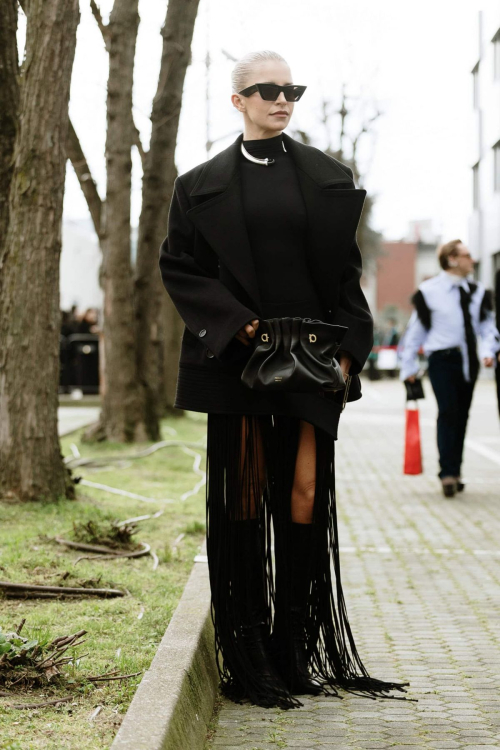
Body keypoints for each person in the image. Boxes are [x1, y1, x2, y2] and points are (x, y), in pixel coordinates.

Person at [159, 50, 407, 709]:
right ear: (237, 101)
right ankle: (248, 657)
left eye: (291, 88)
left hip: (310, 362)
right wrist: (237, 324)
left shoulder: (326, 178)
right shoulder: (200, 183)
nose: (282, 98)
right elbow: (180, 268)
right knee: (241, 500)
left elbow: (343, 277)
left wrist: (350, 352)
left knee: (302, 495)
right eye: (266, 89)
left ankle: (294, 650)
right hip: (236, 360)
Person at [400, 239, 500, 497]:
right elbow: (416, 331)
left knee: (463, 415)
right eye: (467, 255)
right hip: (441, 361)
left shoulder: (478, 292)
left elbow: (488, 328)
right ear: (452, 259)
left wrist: (489, 351)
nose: (472, 260)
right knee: (448, 411)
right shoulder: (429, 291)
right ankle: (446, 474)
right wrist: (408, 366)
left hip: (469, 361)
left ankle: (456, 470)